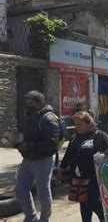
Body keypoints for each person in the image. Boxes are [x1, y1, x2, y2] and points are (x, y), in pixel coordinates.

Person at [55, 111, 108, 222]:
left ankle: (106, 219)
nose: (77, 127)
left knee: (93, 202)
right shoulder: (75, 138)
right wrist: (60, 172)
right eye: (75, 124)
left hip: (95, 177)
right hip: (78, 178)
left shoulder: (100, 136)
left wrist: (103, 155)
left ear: (89, 123)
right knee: (84, 205)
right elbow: (68, 156)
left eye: (80, 124)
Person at [15, 90, 59, 222]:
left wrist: (30, 146)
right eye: (26, 103)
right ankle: (31, 217)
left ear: (39, 103)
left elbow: (52, 144)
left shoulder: (49, 118)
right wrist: (20, 143)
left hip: (43, 161)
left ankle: (45, 219)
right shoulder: (30, 115)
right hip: (27, 159)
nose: (27, 105)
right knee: (20, 190)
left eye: (31, 103)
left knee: (43, 193)